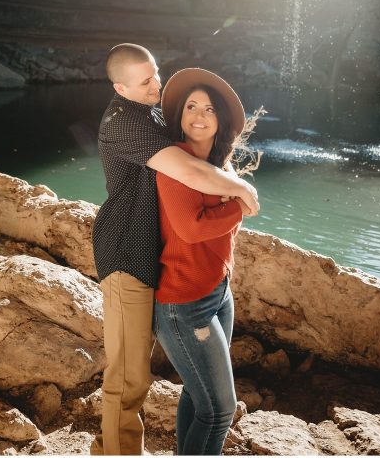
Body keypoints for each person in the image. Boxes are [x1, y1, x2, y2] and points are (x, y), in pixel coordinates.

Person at [92, 44, 261, 456]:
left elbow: (196, 158)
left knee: (186, 388)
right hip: (128, 258)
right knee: (129, 379)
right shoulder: (122, 122)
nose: (156, 85)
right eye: (146, 81)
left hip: (157, 258)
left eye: (156, 74)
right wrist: (241, 192)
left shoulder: (151, 111)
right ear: (120, 87)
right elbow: (185, 170)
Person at [153, 67, 260, 455]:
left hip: (219, 293)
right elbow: (192, 230)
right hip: (185, 304)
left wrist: (237, 197)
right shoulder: (173, 163)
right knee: (219, 411)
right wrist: (239, 206)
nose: (199, 115)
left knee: (200, 399)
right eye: (192, 106)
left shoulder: (220, 164)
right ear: (181, 115)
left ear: (221, 121)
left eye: (209, 109)